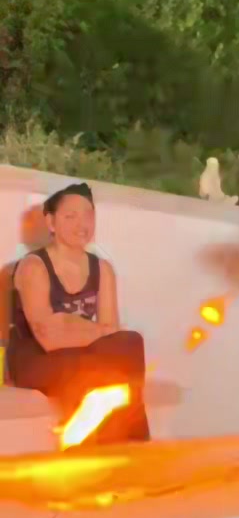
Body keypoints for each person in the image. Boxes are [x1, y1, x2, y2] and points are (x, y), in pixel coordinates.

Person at [7, 182, 150, 443]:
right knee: (98, 371)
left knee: (130, 342)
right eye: (70, 216)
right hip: (34, 359)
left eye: (88, 216)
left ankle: (130, 444)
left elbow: (112, 332)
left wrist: (68, 323)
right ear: (51, 222)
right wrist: (94, 331)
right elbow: (48, 338)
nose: (81, 224)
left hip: (81, 352)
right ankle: (112, 443)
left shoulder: (102, 269)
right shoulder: (34, 266)